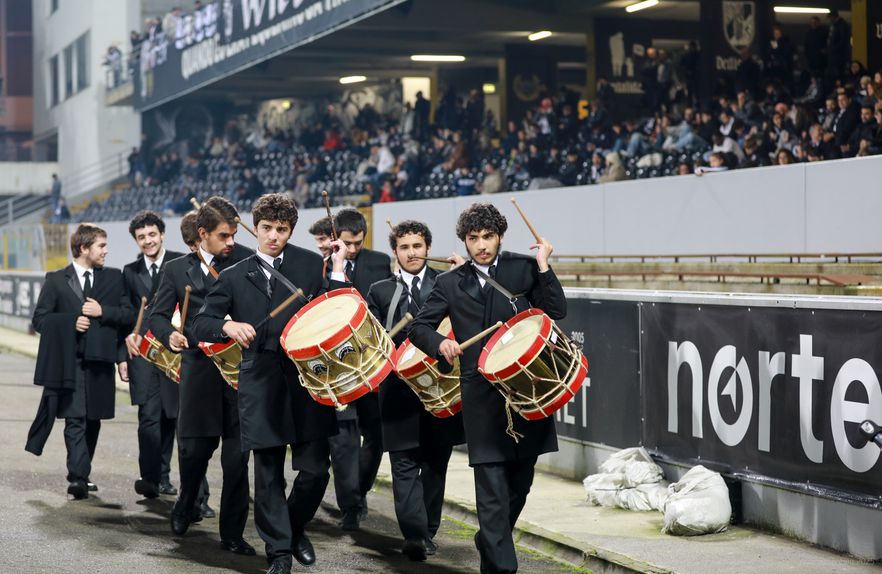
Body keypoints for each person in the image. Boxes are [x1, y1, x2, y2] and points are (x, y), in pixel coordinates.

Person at [193, 193, 348, 574]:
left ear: (290, 230)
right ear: (255, 227)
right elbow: (200, 323)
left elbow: (336, 307)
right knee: (268, 473)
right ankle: (278, 552)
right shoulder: (232, 275)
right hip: (259, 380)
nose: (273, 236)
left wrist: (340, 268)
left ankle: (293, 528)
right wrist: (227, 325)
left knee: (314, 471)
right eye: (266, 229)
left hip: (308, 378)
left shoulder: (312, 264)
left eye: (281, 230)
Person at [408, 203, 566, 574]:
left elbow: (556, 310)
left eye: (488, 237)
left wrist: (544, 264)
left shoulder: (522, 268)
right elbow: (420, 327)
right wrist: (439, 344)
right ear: (464, 241)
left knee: (520, 483)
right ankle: (501, 568)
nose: (481, 245)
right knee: (491, 486)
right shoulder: (448, 283)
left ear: (500, 236)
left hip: (527, 389)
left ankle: (490, 539)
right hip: (480, 394)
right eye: (473, 238)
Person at [148, 196, 254, 551]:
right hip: (198, 371)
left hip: (240, 373)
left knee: (237, 460)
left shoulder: (247, 263)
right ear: (202, 234)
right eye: (224, 236)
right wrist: (170, 334)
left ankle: (232, 534)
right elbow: (157, 316)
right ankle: (186, 502)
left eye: (234, 235)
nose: (231, 242)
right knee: (193, 453)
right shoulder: (177, 270)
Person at [366, 221, 465, 561]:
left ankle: (429, 530)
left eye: (417, 246)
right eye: (404, 247)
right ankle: (415, 535)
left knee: (437, 464)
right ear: (395, 251)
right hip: (397, 390)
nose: (412, 253)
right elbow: (372, 341)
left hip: (443, 386)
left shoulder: (449, 282)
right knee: (404, 465)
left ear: (427, 248)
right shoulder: (378, 290)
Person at [27, 224, 133, 499]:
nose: (106, 251)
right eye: (101, 245)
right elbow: (39, 319)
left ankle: (81, 472)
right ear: (84, 248)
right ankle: (78, 476)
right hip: (68, 363)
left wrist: (102, 311)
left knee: (93, 419)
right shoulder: (55, 280)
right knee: (74, 418)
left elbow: (127, 315)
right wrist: (70, 322)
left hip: (100, 362)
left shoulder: (113, 277)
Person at [328, 208, 393, 530]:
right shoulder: (321, 265)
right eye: (346, 243)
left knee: (377, 436)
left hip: (372, 365)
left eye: (357, 242)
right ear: (334, 238)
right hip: (336, 369)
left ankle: (360, 489)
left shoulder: (381, 262)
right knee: (343, 441)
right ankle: (350, 505)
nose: (352, 249)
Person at [122, 211, 185, 499]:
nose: (147, 241)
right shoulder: (129, 272)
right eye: (141, 237)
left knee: (170, 417)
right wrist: (122, 351)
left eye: (151, 235)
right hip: (143, 356)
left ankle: (164, 477)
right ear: (136, 241)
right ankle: (149, 477)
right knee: (148, 417)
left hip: (172, 354)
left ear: (162, 234)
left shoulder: (179, 263)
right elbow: (125, 315)